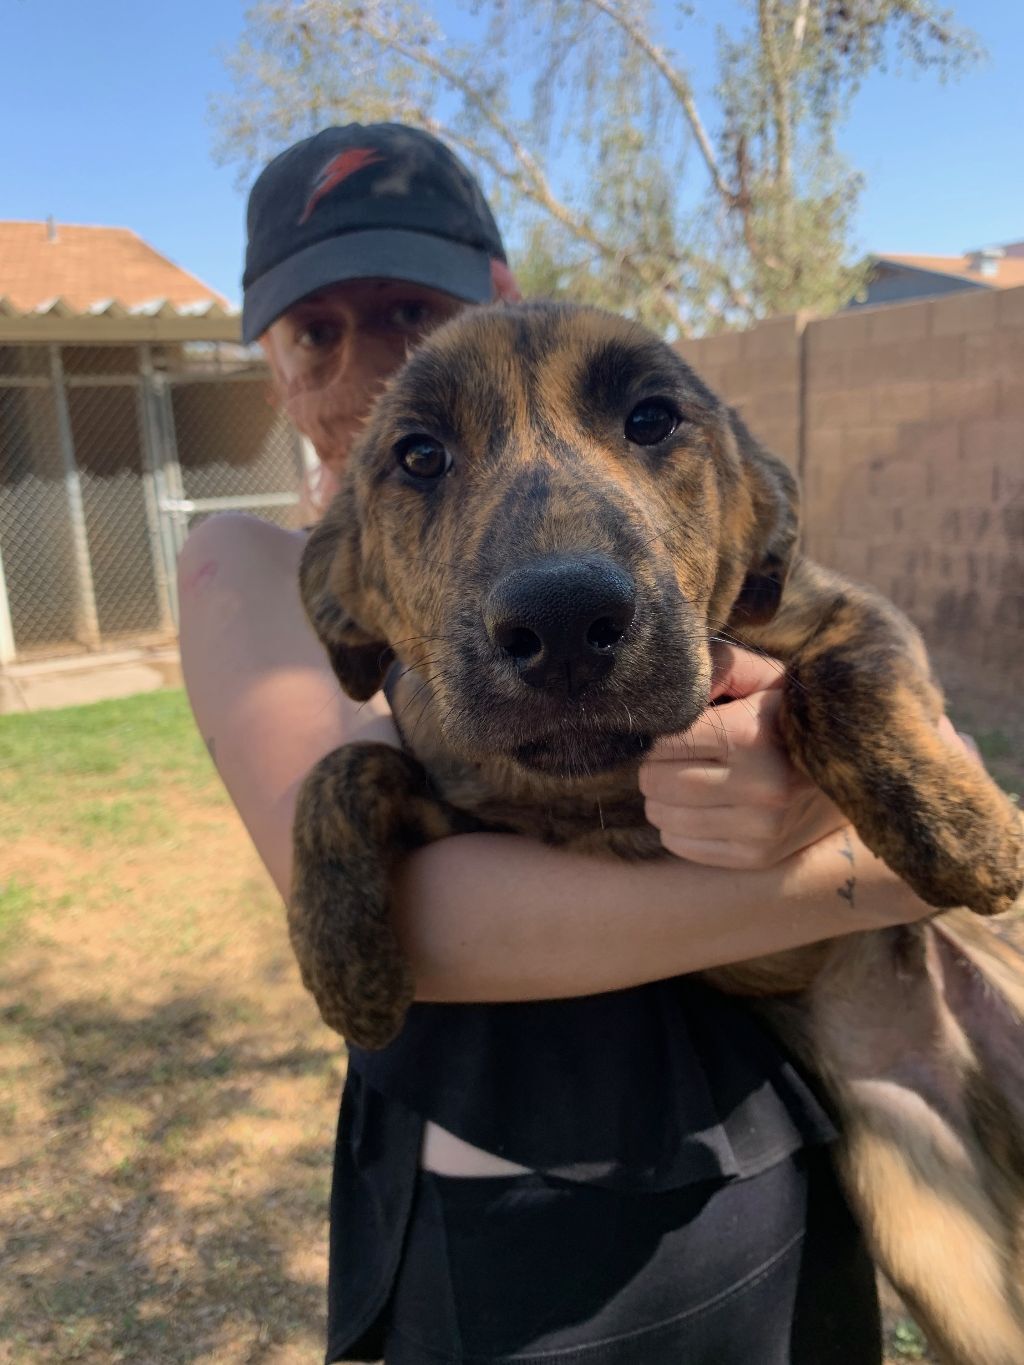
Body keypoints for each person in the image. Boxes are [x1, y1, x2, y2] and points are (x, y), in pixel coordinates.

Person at [179, 123, 947, 1364]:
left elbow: (849, 666)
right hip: (513, 1186)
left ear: (498, 298)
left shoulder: (630, 520)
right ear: (273, 367)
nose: (374, 360)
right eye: (317, 331)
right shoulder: (252, 565)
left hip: (766, 1122)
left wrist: (817, 753)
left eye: (409, 307)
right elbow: (436, 939)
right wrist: (857, 875)